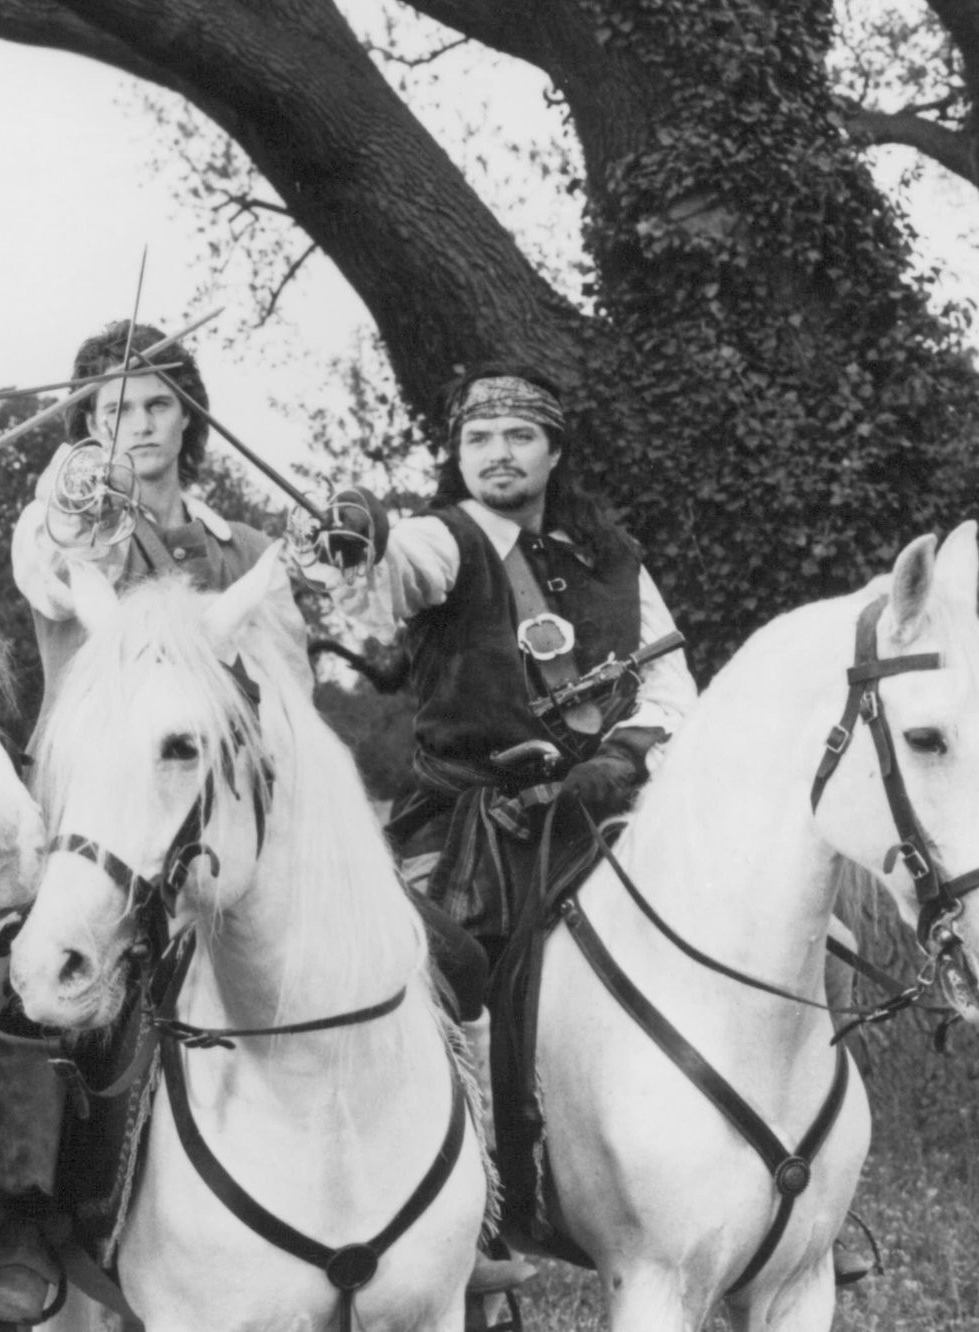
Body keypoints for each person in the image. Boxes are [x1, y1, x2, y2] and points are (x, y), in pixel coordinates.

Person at [0, 321, 316, 1322]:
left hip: (224, 810)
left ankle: (443, 1201)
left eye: (157, 404)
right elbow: (50, 571)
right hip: (92, 806)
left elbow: (288, 686)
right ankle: (27, 1219)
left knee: (419, 953)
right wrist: (78, 496)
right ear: (83, 424)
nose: (138, 426)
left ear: (188, 416)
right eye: (112, 410)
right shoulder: (65, 524)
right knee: (12, 974)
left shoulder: (243, 547)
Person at [341, 362, 698, 1303]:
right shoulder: (443, 541)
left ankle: (794, 1184)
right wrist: (364, 539)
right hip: (467, 832)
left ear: (554, 451)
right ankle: (468, 1219)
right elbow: (393, 580)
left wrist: (617, 761)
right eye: (478, 440)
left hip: (599, 814)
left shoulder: (611, 560)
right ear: (458, 457)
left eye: (518, 437)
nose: (497, 455)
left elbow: (669, 688)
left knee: (765, 933)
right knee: (439, 976)